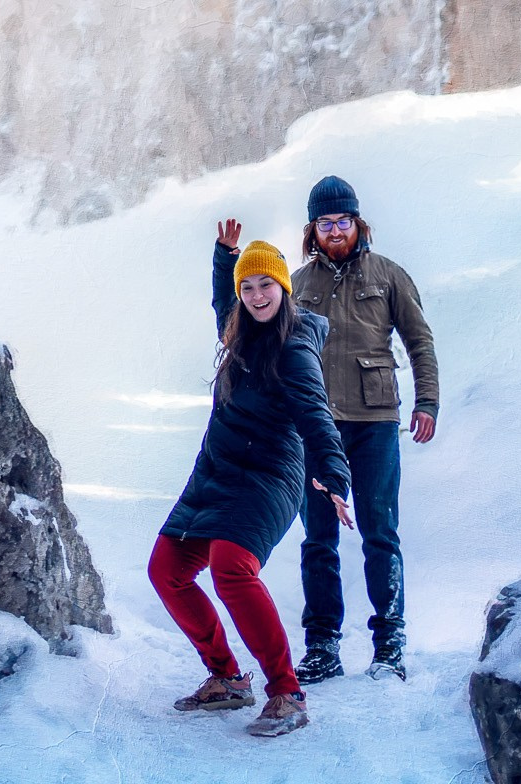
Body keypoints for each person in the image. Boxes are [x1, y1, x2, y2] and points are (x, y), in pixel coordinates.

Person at [148, 219, 354, 739]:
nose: (257, 295)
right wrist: (226, 257)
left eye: (267, 285)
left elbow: (314, 414)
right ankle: (226, 677)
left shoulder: (294, 347)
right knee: (166, 569)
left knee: (231, 567)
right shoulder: (237, 328)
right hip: (215, 471)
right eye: (248, 286)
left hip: (269, 474)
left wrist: (332, 474)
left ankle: (286, 693)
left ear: (283, 289)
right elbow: (223, 301)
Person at [291, 175, 439, 684]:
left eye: (343, 221)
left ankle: (389, 645)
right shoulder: (297, 285)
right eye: (326, 223)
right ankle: (322, 646)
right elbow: (277, 355)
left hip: (376, 423)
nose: (336, 231)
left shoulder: (389, 276)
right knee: (318, 538)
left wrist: (428, 403)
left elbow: (420, 342)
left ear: (358, 223)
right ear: (313, 229)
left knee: (380, 531)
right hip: (316, 427)